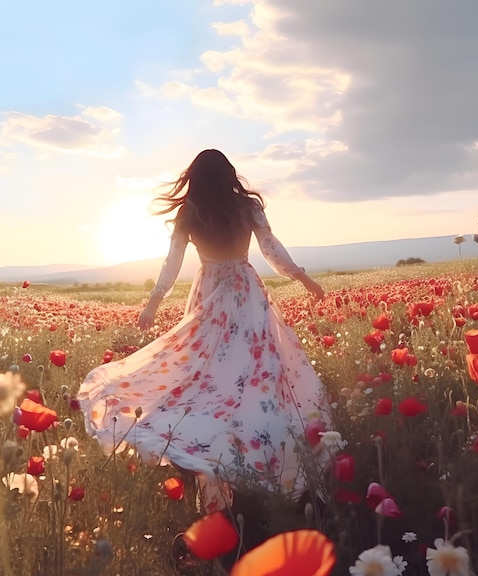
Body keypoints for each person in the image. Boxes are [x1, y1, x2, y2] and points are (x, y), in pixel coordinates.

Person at [77, 149, 333, 513]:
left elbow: (173, 262)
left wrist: (153, 302)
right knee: (255, 369)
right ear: (229, 174)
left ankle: (215, 452)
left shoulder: (190, 212)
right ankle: (255, 450)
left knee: (206, 372)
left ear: (193, 179)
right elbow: (271, 249)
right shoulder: (247, 207)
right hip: (245, 290)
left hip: (210, 290)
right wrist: (302, 278)